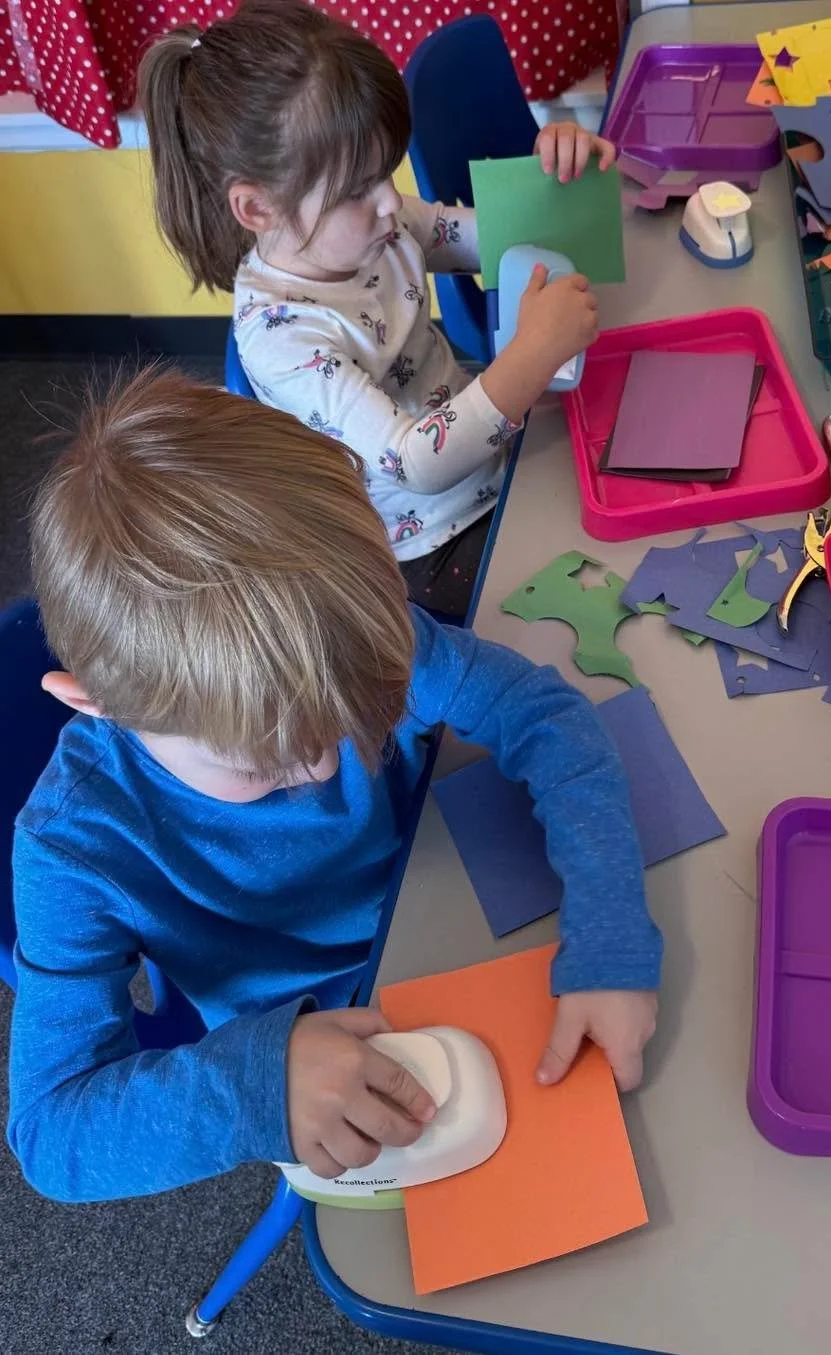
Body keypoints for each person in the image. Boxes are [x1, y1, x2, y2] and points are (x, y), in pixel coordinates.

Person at [6, 369, 661, 1203]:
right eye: (264, 761)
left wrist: (609, 931)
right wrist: (252, 1087)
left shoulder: (336, 640)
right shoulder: (73, 849)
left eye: (356, 715)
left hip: (449, 917)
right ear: (95, 708)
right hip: (308, 1049)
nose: (323, 767)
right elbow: (51, 1131)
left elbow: (544, 715)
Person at [138, 0, 616, 620]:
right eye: (357, 189)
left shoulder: (376, 227)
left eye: (386, 172)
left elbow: (493, 234)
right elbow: (414, 462)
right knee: (585, 604)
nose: (392, 201)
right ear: (257, 210)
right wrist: (531, 355)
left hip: (493, 459)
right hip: (427, 548)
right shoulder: (283, 338)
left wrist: (556, 169)